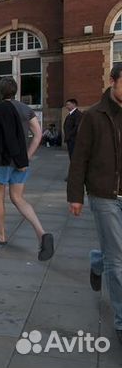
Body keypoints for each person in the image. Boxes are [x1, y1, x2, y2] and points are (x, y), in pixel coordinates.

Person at [68, 64, 122, 343]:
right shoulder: (93, 116)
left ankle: (96, 262)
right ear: (112, 81)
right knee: (118, 259)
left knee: (114, 254)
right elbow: (80, 158)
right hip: (104, 196)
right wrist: (75, 195)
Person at [0, 77, 54, 261]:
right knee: (18, 198)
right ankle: (41, 233)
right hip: (20, 161)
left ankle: (1, 234)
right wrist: (27, 157)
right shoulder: (25, 109)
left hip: (1, 161)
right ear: (15, 90)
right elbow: (38, 135)